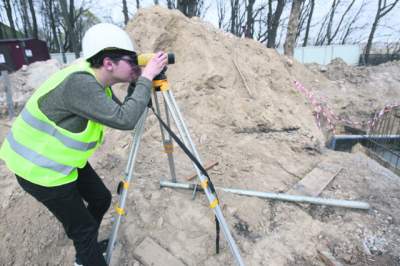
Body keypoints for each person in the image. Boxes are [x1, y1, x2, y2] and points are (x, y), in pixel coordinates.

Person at [0, 23, 168, 266]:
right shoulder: (81, 85)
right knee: (84, 229)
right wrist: (147, 77)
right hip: (39, 171)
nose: (136, 64)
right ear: (108, 63)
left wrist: (140, 80)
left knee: (100, 199)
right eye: (131, 60)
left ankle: (85, 246)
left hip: (61, 162)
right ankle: (86, 250)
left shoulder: (96, 79)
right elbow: (126, 119)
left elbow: (123, 111)